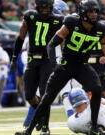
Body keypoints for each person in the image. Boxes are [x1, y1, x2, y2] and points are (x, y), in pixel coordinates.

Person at [15, 0, 105, 135]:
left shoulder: (101, 28)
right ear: (82, 12)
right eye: (90, 11)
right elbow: (51, 44)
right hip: (66, 64)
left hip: (82, 65)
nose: (93, 14)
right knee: (47, 98)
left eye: (95, 11)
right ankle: (29, 130)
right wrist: (54, 64)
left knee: (97, 89)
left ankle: (94, 127)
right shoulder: (71, 22)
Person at [10, 0, 64, 134]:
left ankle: (45, 128)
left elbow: (64, 40)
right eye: (42, 7)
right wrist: (14, 58)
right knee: (29, 95)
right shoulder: (30, 16)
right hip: (32, 59)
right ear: (37, 7)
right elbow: (20, 37)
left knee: (44, 93)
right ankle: (40, 115)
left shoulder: (58, 19)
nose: (45, 10)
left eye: (47, 8)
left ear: (51, 7)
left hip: (47, 60)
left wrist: (63, 58)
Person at [87, 21, 105, 105]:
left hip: (100, 64)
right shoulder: (90, 33)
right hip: (90, 63)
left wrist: (104, 57)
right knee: (88, 90)